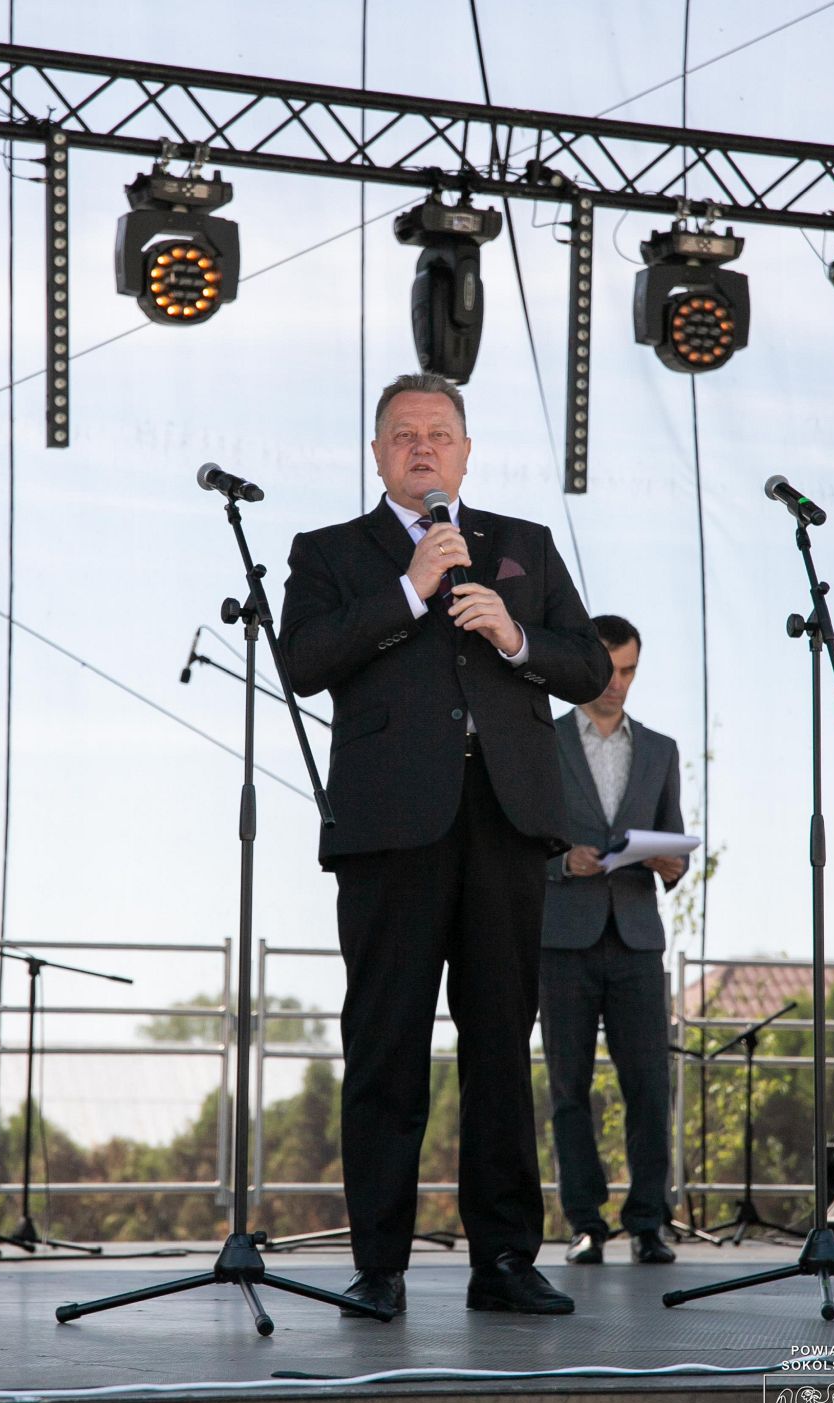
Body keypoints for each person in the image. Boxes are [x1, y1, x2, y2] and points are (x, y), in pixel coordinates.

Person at [278, 372, 612, 1317]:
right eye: (403, 435)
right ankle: (380, 1264)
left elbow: (587, 663)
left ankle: (503, 1259)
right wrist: (408, 589)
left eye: (439, 434)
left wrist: (516, 637)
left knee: (502, 1043)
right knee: (386, 1042)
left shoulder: (522, 545)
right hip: (390, 828)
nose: (422, 447)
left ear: (466, 452)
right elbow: (302, 661)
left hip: (504, 821)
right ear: (377, 455)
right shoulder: (331, 552)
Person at [539, 615, 687, 1266]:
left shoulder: (660, 750)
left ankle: (648, 1223)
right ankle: (585, 1225)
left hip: (636, 938)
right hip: (562, 939)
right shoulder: (541, 740)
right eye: (607, 669)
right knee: (568, 1090)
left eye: (629, 671)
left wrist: (671, 863)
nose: (617, 683)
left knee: (650, 1088)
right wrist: (559, 862)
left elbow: (674, 844)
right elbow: (518, 838)